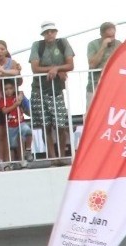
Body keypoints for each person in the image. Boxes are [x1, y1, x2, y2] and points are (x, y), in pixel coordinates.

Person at [29, 23, 75, 161]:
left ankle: (61, 156)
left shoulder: (63, 43)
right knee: (46, 126)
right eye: (46, 32)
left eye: (52, 31)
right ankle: (53, 157)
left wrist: (56, 69)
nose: (49, 34)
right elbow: (34, 68)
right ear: (43, 34)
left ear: (56, 32)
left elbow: (71, 65)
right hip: (39, 90)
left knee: (60, 125)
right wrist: (56, 69)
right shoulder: (37, 45)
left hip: (57, 90)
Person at [85, 22, 121, 105]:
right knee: (92, 113)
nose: (111, 39)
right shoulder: (92, 45)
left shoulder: (119, 44)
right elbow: (92, 64)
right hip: (95, 86)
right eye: (108, 37)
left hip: (113, 86)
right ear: (101, 34)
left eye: (113, 36)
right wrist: (103, 46)